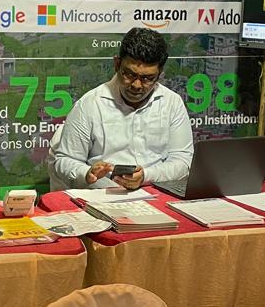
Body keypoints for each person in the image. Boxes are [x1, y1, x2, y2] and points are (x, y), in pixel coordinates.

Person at [48, 27, 193, 190]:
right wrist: (87, 173)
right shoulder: (89, 104)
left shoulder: (172, 103)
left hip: (157, 193)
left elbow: (183, 161)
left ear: (159, 74)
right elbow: (65, 161)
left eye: (147, 78)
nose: (137, 85)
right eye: (129, 74)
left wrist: (146, 176)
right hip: (103, 195)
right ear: (117, 64)